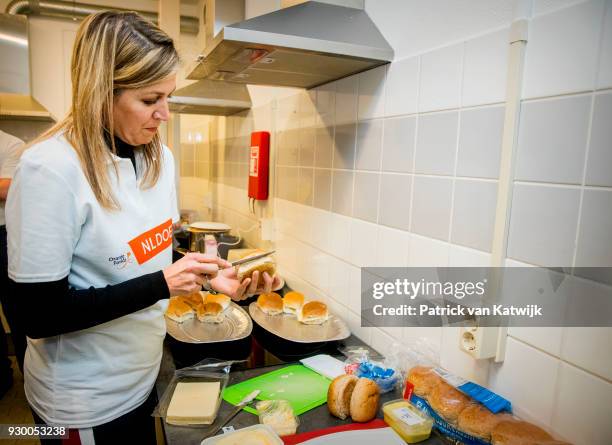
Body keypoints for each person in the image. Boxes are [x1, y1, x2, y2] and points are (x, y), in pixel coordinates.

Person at [6, 11, 275, 443]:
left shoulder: (158, 159)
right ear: (101, 91)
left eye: (168, 97)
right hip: (84, 401)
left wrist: (206, 276)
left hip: (142, 377)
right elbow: (35, 315)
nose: (164, 114)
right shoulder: (50, 169)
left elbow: (149, 252)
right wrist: (162, 284)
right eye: (150, 100)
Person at [0, 129, 24, 397]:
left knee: (15, 311)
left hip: (4, 234)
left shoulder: (11, 144)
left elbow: (7, 188)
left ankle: (26, 369)